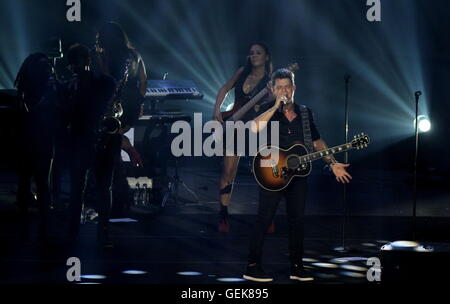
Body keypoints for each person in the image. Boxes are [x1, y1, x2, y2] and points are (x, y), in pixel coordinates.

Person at [243, 69, 352, 282]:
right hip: (270, 172)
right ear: (273, 90)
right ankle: (252, 266)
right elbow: (253, 129)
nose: (284, 90)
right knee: (264, 219)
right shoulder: (266, 109)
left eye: (288, 86)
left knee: (297, 221)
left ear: (294, 88)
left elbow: (317, 142)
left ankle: (297, 266)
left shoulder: (305, 113)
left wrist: (333, 163)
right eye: (280, 87)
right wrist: (275, 106)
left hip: (298, 175)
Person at [92, 22, 146, 244]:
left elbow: (105, 81)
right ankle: (119, 203)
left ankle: (107, 208)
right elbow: (143, 80)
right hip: (126, 109)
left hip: (107, 110)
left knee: (104, 163)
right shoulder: (134, 55)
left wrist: (99, 60)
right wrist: (139, 102)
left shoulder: (104, 56)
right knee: (114, 156)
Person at [213, 42, 273, 232]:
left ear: (266, 57)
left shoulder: (270, 79)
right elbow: (224, 88)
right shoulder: (241, 72)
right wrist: (217, 111)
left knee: (263, 175)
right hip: (234, 125)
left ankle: (267, 216)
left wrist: (270, 98)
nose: (254, 55)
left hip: (257, 129)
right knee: (228, 172)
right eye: (251, 53)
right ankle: (223, 214)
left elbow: (275, 102)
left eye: (258, 53)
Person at [64, 43, 116, 244]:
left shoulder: (105, 82)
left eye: (78, 62)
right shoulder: (71, 86)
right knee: (78, 189)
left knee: (105, 188)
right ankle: (73, 232)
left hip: (104, 139)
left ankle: (103, 231)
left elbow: (109, 100)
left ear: (87, 61)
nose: (75, 67)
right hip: (81, 140)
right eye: (72, 64)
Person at [14, 53, 62, 240]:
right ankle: (42, 220)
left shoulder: (26, 89)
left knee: (29, 182)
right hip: (37, 138)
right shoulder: (37, 91)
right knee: (40, 182)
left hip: (33, 139)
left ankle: (28, 219)